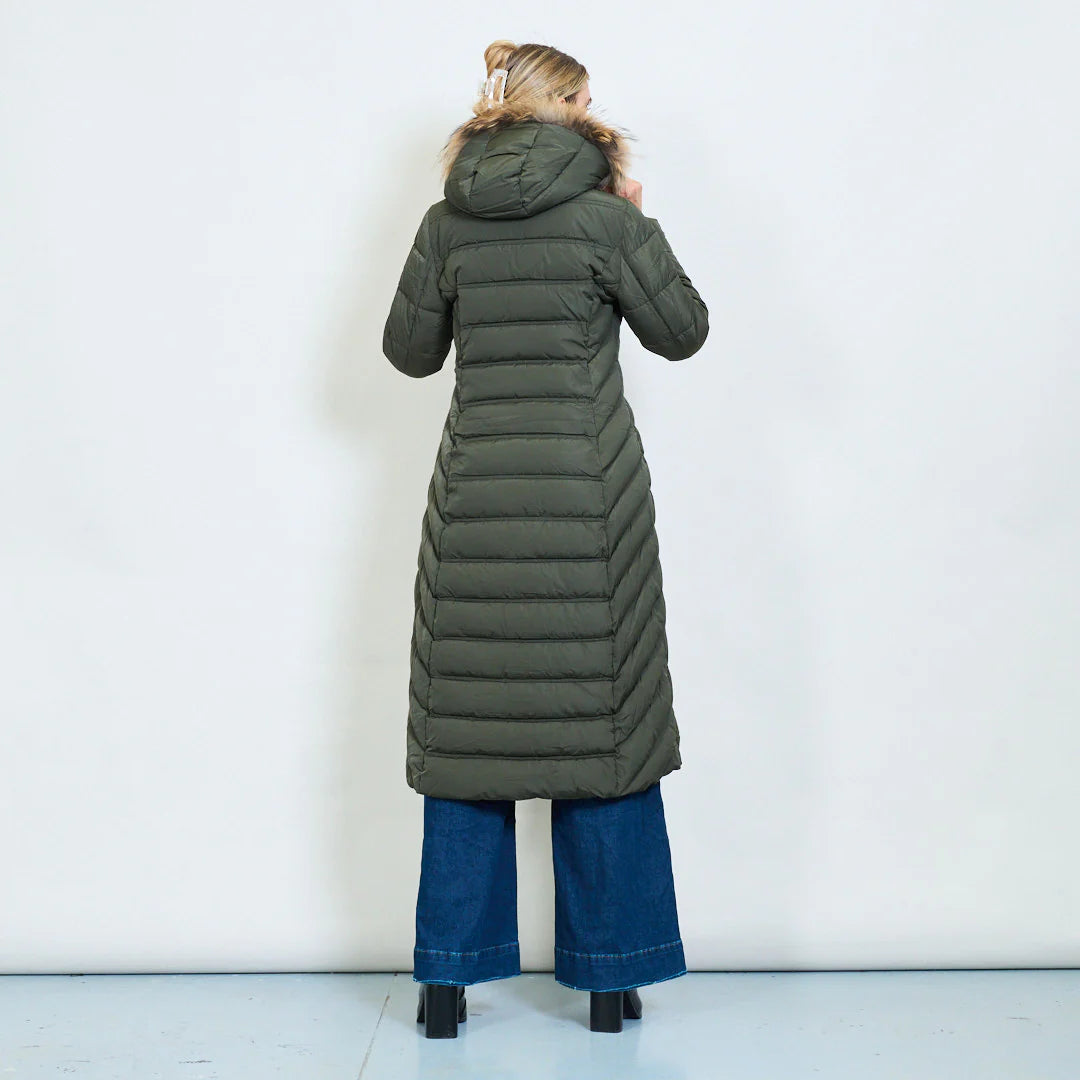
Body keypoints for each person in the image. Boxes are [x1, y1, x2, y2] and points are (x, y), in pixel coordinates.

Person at [382, 40, 710, 1037]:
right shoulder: (609, 217)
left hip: (478, 498)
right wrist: (638, 228)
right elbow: (681, 330)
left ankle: (445, 986)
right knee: (602, 734)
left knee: (468, 734)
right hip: (590, 506)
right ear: (567, 105)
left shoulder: (446, 223)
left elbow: (408, 354)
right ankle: (611, 983)